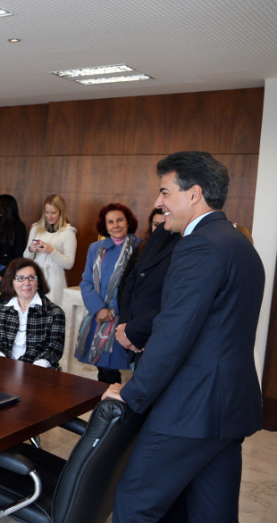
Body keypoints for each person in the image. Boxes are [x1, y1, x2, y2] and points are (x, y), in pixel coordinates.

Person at [103, 151, 265, 522]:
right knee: (212, 512)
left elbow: (173, 334)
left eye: (164, 193)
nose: (158, 203)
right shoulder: (240, 245)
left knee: (134, 501)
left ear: (193, 194)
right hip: (227, 409)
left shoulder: (199, 246)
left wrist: (130, 394)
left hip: (189, 409)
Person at [75, 203, 139, 384]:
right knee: (104, 371)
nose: (116, 225)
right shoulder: (95, 248)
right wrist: (98, 309)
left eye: (120, 220)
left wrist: (111, 311)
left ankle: (115, 408)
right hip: (98, 319)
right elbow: (86, 282)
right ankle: (108, 408)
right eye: (110, 222)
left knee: (121, 372)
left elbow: (136, 288)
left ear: (128, 221)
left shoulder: (139, 247)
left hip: (124, 319)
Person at [115, 208, 180, 368]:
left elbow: (176, 302)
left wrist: (136, 331)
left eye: (165, 193)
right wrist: (127, 329)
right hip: (134, 338)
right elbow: (130, 284)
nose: (159, 202)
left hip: (158, 339)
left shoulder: (192, 242)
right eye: (155, 224)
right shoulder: (157, 236)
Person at [0, 258, 65, 369]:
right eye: (20, 278)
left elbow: (53, 350)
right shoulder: (0, 309)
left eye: (31, 278)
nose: (27, 283)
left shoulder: (54, 313)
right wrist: (3, 365)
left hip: (39, 373)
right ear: (12, 282)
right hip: (2, 369)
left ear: (38, 282)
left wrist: (28, 371)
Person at [23, 194, 77, 306]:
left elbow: (69, 264)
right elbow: (26, 258)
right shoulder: (36, 228)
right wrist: (31, 249)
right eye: (47, 212)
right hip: (35, 278)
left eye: (53, 213)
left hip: (55, 280)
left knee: (51, 315)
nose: (49, 216)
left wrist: (51, 251)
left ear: (61, 212)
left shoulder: (68, 232)